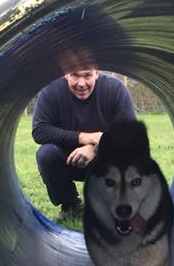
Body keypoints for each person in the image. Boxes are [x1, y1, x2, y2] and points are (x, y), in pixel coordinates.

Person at [32, 65, 136, 221]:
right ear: (66, 74)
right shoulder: (51, 90)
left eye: (87, 75)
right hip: (68, 160)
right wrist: (83, 138)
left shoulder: (115, 89)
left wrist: (95, 148)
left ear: (97, 73)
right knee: (46, 154)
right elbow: (40, 130)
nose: (81, 83)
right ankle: (70, 205)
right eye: (75, 75)